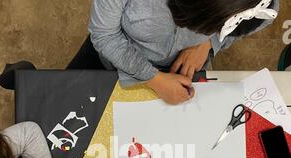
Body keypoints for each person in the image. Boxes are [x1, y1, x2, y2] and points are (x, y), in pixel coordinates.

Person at [74, 0, 278, 105]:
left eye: (201, 28)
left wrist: (208, 43)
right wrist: (153, 78)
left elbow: (266, 15)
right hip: (111, 62)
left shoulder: (254, 3)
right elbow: (104, 35)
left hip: (182, 72)